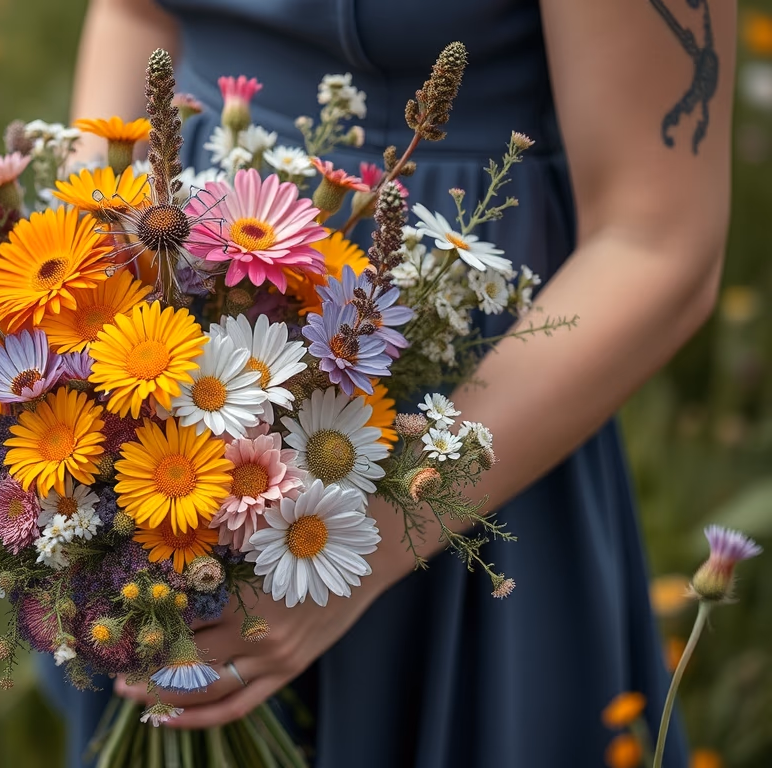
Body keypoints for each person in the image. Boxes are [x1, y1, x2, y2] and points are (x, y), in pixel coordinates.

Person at [45, 0, 733, 766]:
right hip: (161, 340)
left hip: (455, 399)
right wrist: (79, 292)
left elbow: (660, 242)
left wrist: (352, 546)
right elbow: (137, 13)